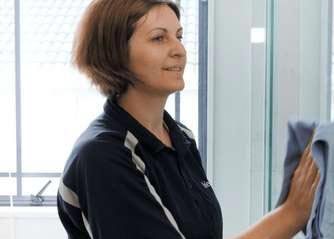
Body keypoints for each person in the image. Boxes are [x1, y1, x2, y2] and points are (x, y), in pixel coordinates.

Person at [57, 1, 320, 239]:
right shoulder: (103, 155)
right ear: (116, 52)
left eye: (179, 36)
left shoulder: (180, 136)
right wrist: (291, 214)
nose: (179, 50)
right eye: (159, 38)